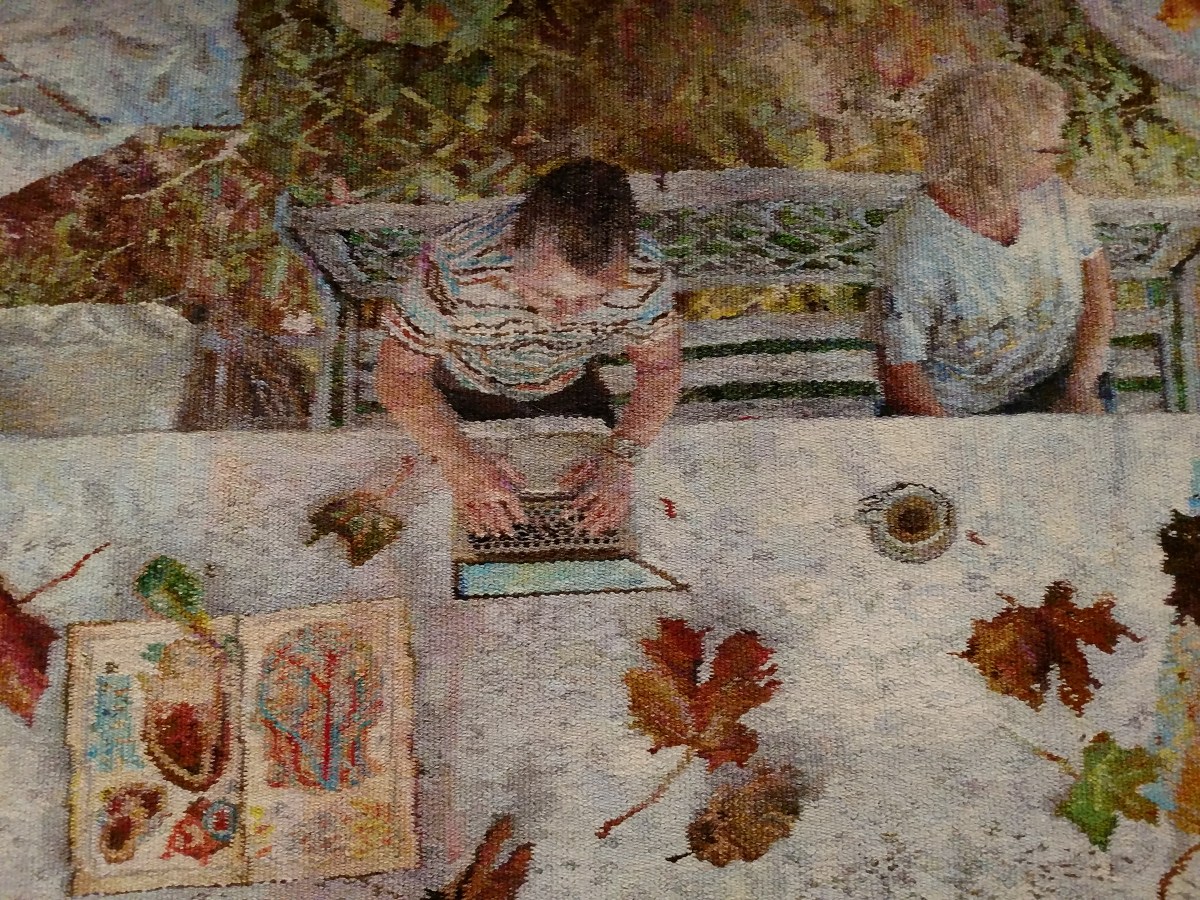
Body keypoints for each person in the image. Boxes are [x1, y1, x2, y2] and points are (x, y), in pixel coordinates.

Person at [374, 159, 682, 537]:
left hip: (568, 383)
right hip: (459, 386)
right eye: (546, 294)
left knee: (594, 512)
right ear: (513, 245)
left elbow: (660, 369)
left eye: (593, 298)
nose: (563, 318)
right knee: (447, 513)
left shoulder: (643, 270)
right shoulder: (453, 266)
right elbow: (399, 373)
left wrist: (620, 459)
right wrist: (458, 460)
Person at [873, 61, 1116, 416]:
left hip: (1065, 388)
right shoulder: (916, 241)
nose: (1058, 156)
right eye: (1045, 151)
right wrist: (956, 442)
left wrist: (1080, 387)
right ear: (993, 152)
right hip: (956, 417)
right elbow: (900, 369)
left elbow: (1098, 299)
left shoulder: (1058, 200)